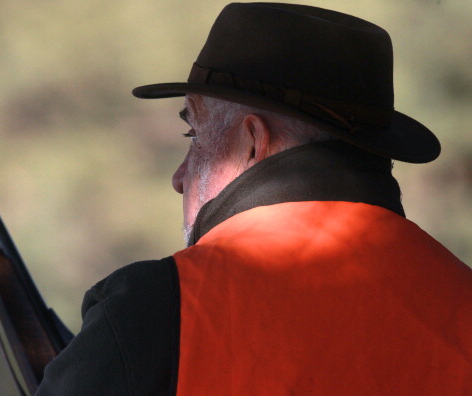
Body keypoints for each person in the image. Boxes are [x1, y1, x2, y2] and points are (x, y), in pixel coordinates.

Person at [36, 3, 472, 395]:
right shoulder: (461, 297)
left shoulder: (154, 310)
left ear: (251, 142)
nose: (179, 177)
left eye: (194, 134)